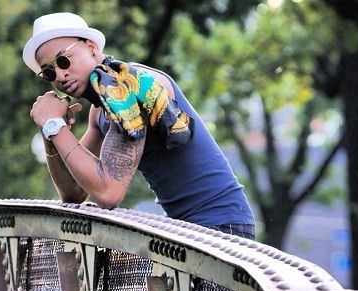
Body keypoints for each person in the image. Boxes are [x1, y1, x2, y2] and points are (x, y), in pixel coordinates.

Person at [23, 12, 255, 239]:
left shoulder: (130, 86)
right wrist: (50, 131)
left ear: (91, 48)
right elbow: (74, 193)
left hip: (220, 225)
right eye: (49, 72)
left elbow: (108, 193)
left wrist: (55, 125)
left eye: (64, 60)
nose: (60, 75)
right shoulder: (99, 110)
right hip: (187, 228)